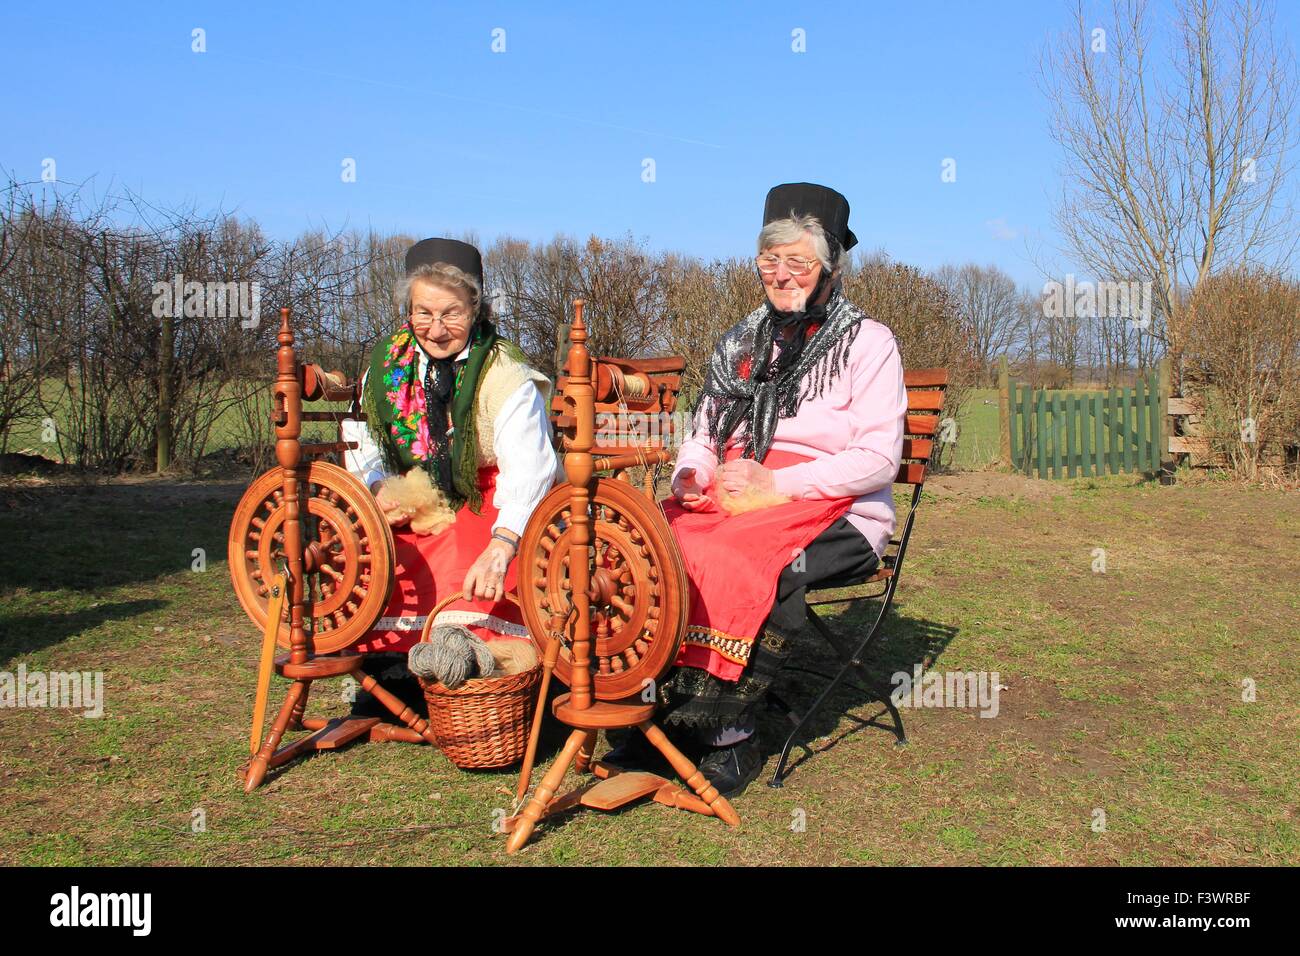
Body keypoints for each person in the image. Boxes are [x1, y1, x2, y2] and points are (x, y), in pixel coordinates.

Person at [605, 183, 907, 797]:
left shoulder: (869, 343)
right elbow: (705, 432)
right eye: (771, 260)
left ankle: (728, 734)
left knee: (735, 560)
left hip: (838, 507)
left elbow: (879, 459)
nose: (782, 274)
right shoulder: (742, 341)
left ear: (830, 268)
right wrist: (691, 473)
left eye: (798, 261)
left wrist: (779, 482)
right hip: (737, 491)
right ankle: (659, 715)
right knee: (647, 545)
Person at [341, 238, 560, 712]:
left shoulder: (505, 372)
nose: (436, 330)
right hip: (414, 496)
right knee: (380, 554)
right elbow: (363, 444)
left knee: (467, 557)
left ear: (476, 308)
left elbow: (530, 468)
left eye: (452, 314)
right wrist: (379, 488)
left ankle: (477, 681)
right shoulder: (385, 367)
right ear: (408, 307)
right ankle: (392, 678)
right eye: (423, 313)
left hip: (493, 497)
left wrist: (503, 545)